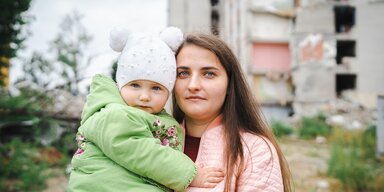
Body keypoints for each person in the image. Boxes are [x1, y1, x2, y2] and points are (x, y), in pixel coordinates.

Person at [68, 27, 223, 192]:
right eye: (135, 85)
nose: (144, 96)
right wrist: (191, 174)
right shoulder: (114, 114)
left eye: (156, 88)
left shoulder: (151, 116)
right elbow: (144, 153)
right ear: (120, 85)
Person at [172, 33, 293, 192]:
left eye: (209, 73)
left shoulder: (255, 150)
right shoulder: (151, 141)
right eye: (183, 73)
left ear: (229, 85)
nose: (193, 85)